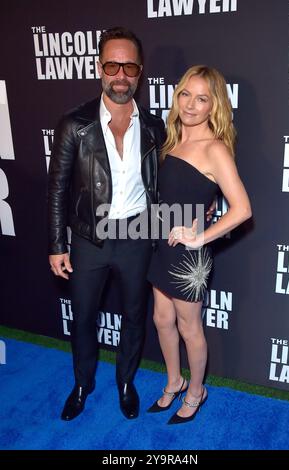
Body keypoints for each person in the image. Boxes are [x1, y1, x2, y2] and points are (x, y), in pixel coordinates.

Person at [48, 27, 165, 421]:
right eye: (112, 65)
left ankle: (126, 383)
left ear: (139, 71)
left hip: (135, 236)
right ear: (99, 68)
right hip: (87, 239)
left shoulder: (154, 127)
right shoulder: (73, 125)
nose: (120, 75)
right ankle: (82, 384)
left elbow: (168, 182)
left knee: (135, 315)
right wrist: (55, 244)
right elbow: (57, 191)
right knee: (83, 317)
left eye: (128, 66)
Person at [147, 65, 252, 424]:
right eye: (185, 94)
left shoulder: (215, 149)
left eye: (202, 98)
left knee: (189, 327)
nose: (191, 104)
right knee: (162, 319)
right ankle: (174, 380)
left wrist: (200, 237)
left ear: (214, 106)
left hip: (188, 255)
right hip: (161, 244)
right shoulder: (171, 138)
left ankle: (196, 391)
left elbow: (242, 209)